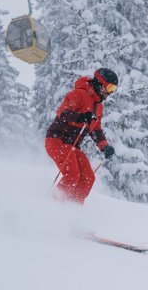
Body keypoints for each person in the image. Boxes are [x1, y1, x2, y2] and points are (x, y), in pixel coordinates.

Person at [45, 67, 119, 204]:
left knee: (87, 178)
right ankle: (52, 206)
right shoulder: (79, 94)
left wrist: (104, 147)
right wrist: (80, 117)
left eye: (113, 89)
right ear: (100, 83)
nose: (110, 93)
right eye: (109, 88)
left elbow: (95, 129)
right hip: (57, 140)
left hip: (73, 146)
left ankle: (73, 211)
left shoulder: (98, 106)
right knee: (72, 176)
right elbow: (63, 113)